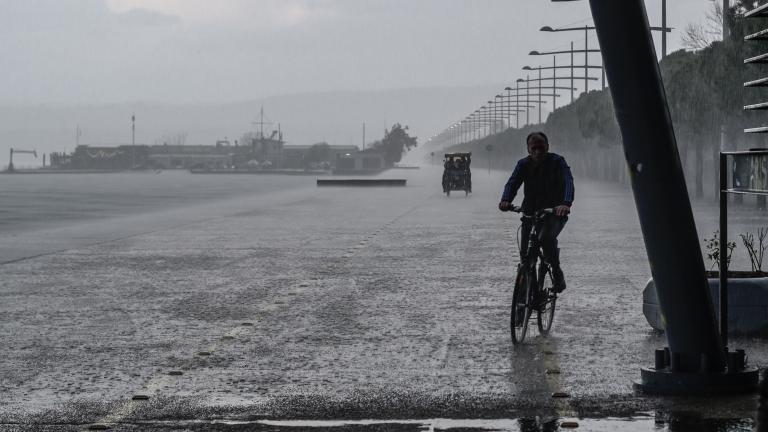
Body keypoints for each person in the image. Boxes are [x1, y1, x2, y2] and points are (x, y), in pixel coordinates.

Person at [498, 132, 574, 292]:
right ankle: (524, 299)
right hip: (529, 214)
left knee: (546, 239)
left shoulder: (558, 162)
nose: (538, 152)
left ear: (547, 147)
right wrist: (506, 200)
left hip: (554, 213)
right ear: (528, 149)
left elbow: (568, 181)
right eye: (534, 148)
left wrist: (565, 204)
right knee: (525, 256)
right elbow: (513, 183)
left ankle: (557, 272)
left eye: (541, 147)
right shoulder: (523, 164)